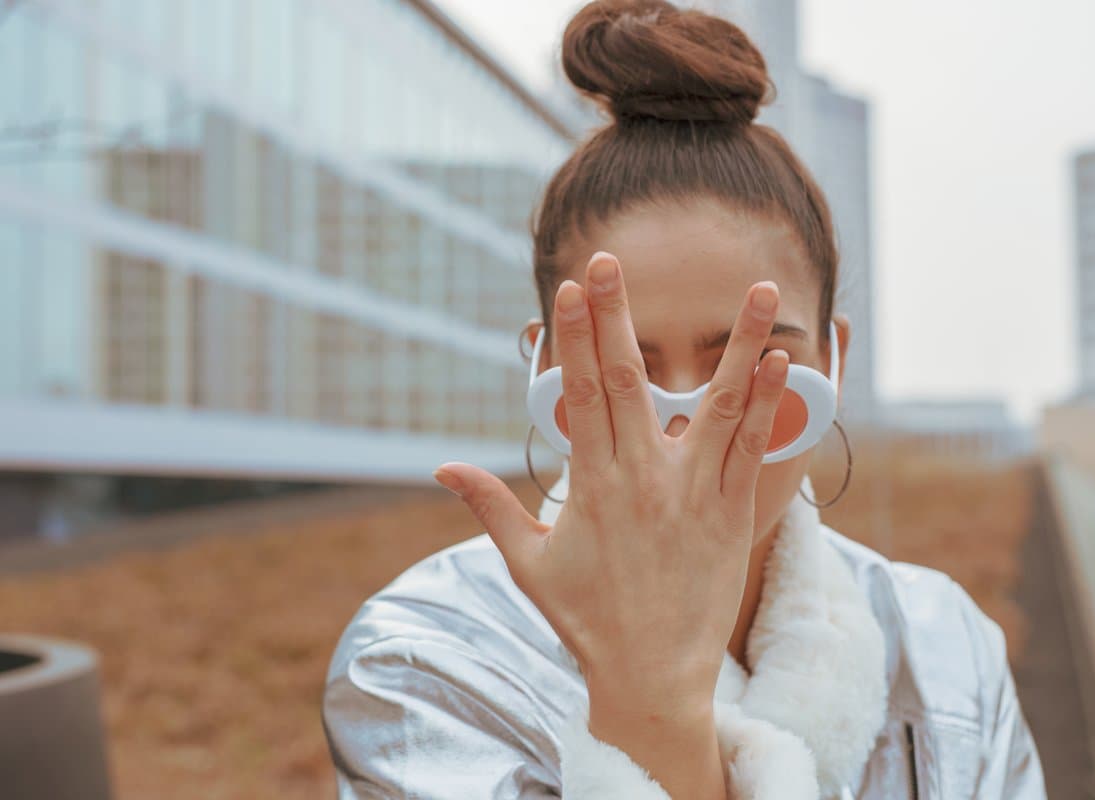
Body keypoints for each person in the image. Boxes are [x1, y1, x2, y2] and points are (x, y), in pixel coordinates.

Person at [321, 1, 1047, 797]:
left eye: (754, 369)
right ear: (542, 369)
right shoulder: (423, 662)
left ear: (835, 360)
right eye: (618, 369)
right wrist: (653, 699)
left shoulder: (947, 654)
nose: (690, 427)